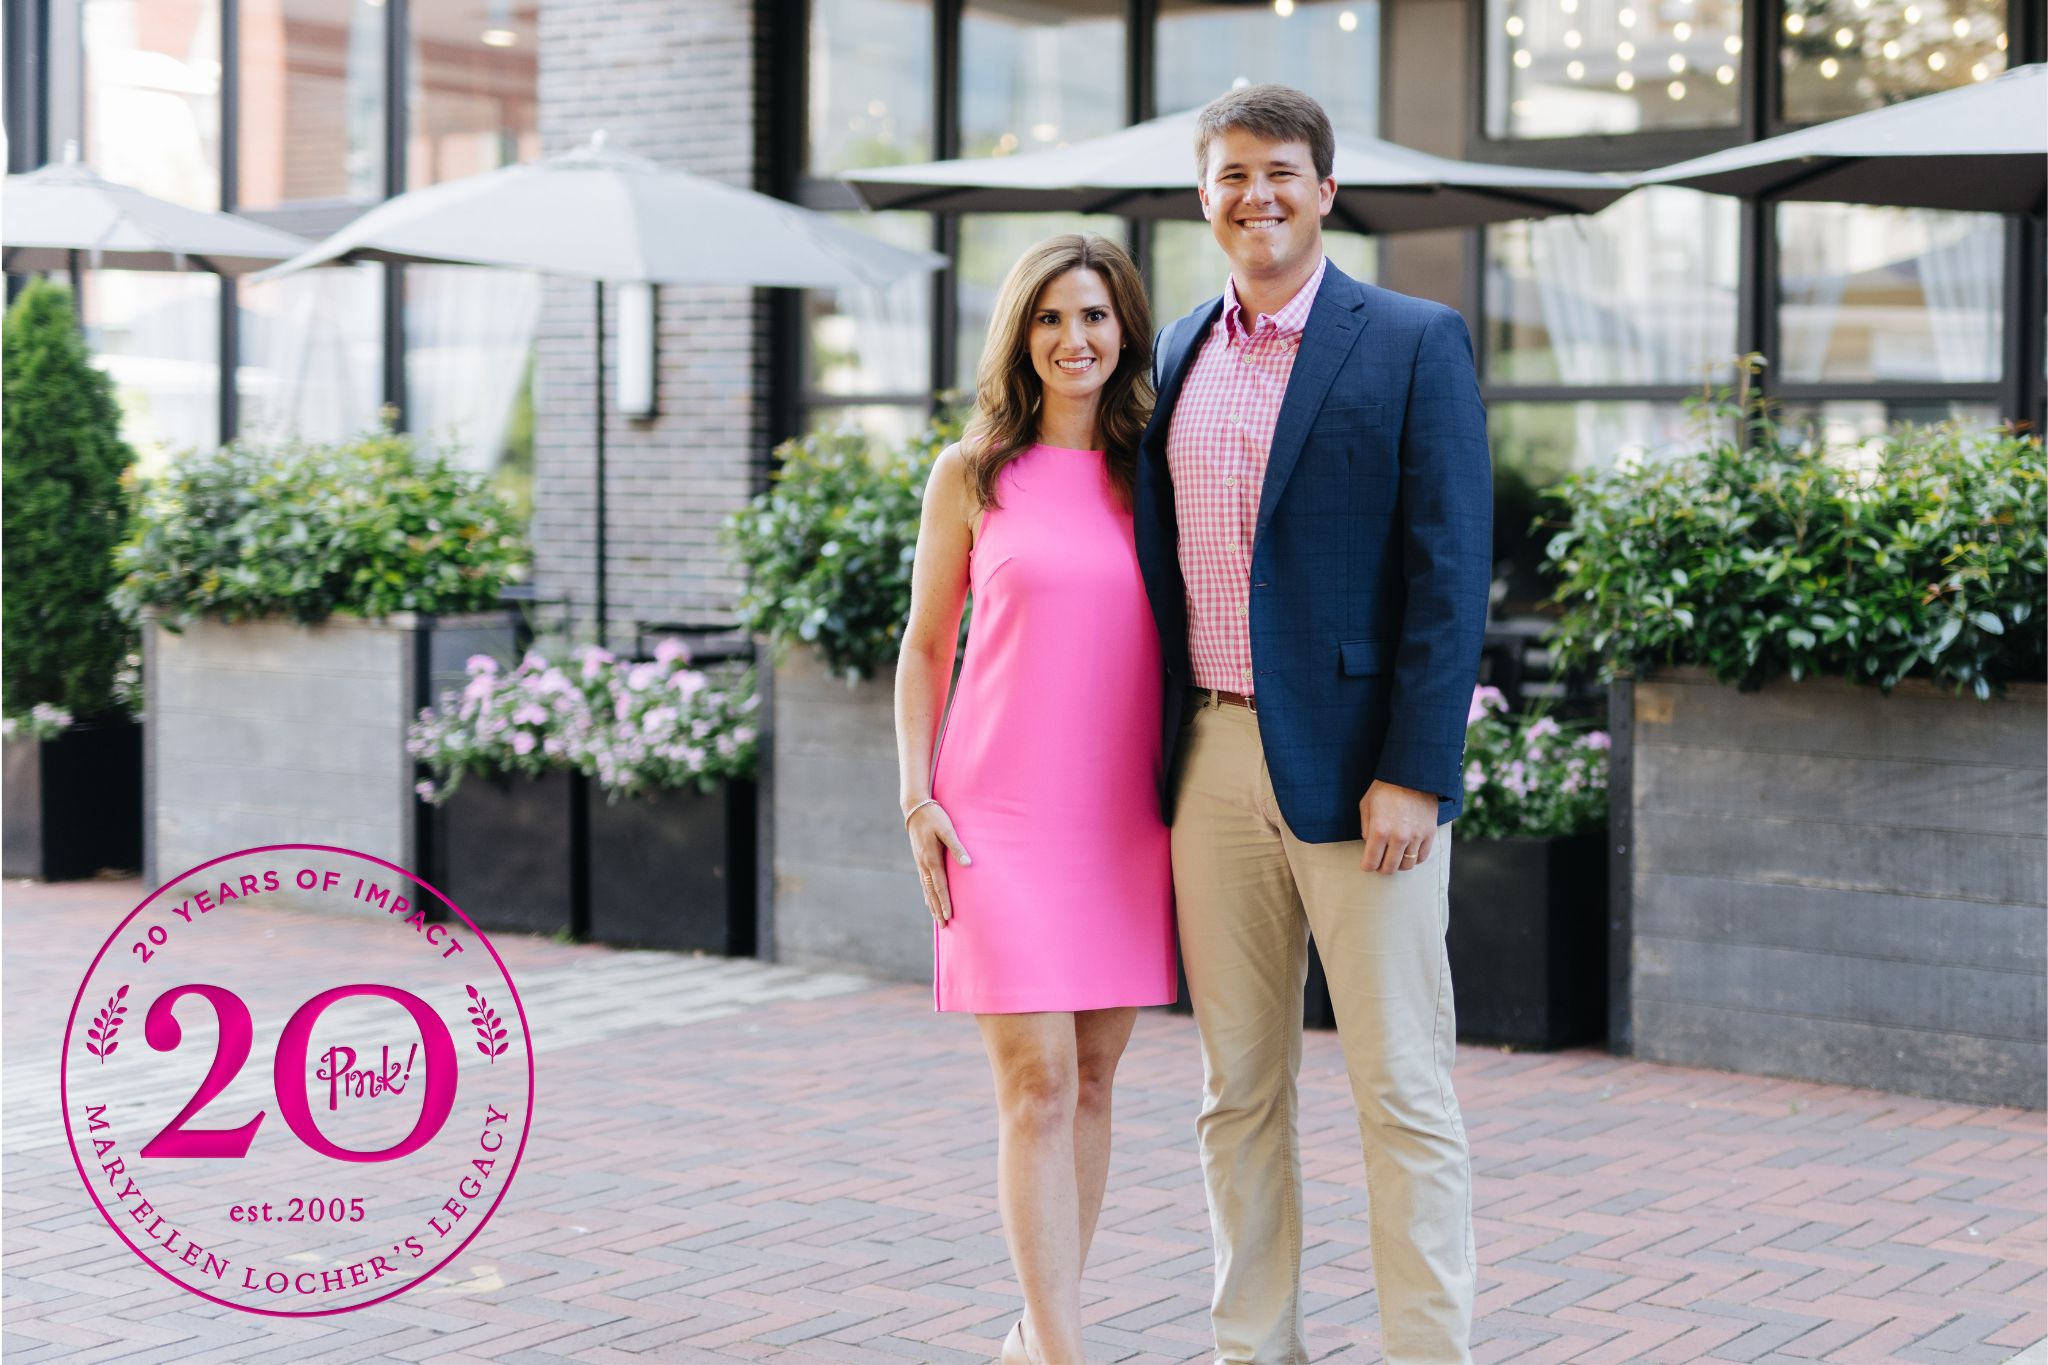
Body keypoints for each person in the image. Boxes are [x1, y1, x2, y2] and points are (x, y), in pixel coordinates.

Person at [1131, 85, 1493, 1365]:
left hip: (1359, 774)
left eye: (1280, 172)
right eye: (1231, 174)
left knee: (1399, 1090)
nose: (1257, 196)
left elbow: (1451, 575)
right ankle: (1253, 1348)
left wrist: (1413, 768)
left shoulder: (1408, 339)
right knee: (1237, 1093)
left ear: (1324, 190)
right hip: (1208, 762)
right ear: (1204, 195)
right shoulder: (1173, 352)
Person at [894, 233, 1177, 1365]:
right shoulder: (970, 474)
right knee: (1037, 1082)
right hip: (995, 815)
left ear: (1125, 333)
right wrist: (915, 796)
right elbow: (923, 648)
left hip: (1124, 816)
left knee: (1097, 1079)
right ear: (1020, 336)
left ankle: (1033, 1332)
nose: (1074, 340)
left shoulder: (1155, 471)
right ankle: (1065, 1355)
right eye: (1051, 319)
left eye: (1095, 317)